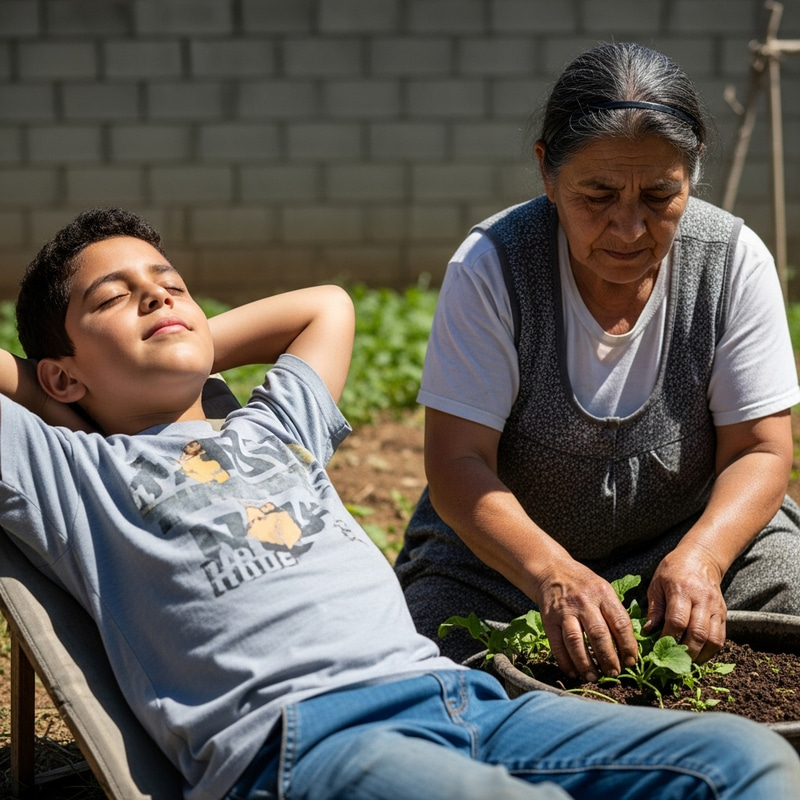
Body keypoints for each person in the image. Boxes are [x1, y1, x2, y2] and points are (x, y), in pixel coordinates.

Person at [1, 207, 798, 800]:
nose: (158, 298)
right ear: (61, 376)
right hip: (306, 746)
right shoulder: (73, 469)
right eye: (115, 297)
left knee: (746, 764)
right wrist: (47, 391)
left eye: (170, 285)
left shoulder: (278, 426)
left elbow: (328, 305)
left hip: (457, 698)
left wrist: (189, 339)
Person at [395, 41, 800, 681]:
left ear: (692, 172)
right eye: (598, 195)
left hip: (686, 540)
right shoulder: (493, 267)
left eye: (661, 195)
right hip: (506, 567)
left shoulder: (731, 262)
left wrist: (702, 557)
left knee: (791, 611)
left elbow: (761, 448)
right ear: (547, 175)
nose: (630, 227)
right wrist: (553, 573)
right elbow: (457, 463)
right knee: (439, 663)